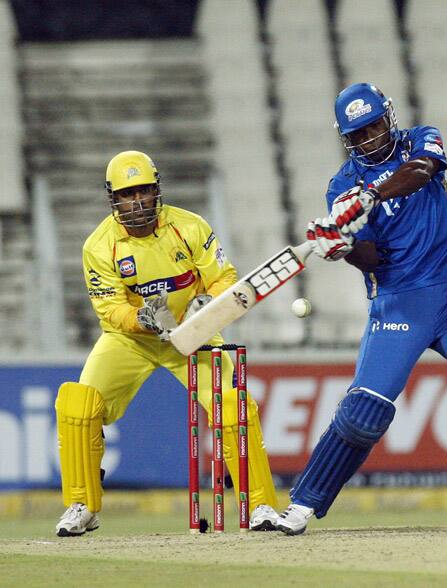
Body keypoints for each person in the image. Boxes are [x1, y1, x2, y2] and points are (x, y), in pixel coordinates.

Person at [275, 83, 447, 535]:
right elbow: (371, 258)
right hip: (399, 302)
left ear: (390, 117)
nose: (370, 139)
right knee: (365, 412)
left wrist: (371, 196)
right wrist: (341, 247)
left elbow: (423, 170)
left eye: (375, 126)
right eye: (358, 134)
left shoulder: (420, 140)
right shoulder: (342, 186)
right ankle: (302, 505)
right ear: (346, 139)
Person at [54, 150, 279, 536]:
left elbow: (224, 278)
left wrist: (209, 305)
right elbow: (110, 310)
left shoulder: (189, 227)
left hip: (194, 335)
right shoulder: (99, 245)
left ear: (157, 190)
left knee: (232, 403)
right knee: (78, 404)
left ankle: (259, 507)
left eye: (143, 191)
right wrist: (142, 319)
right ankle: (83, 506)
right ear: (113, 199)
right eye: (127, 194)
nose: (137, 201)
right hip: (130, 341)